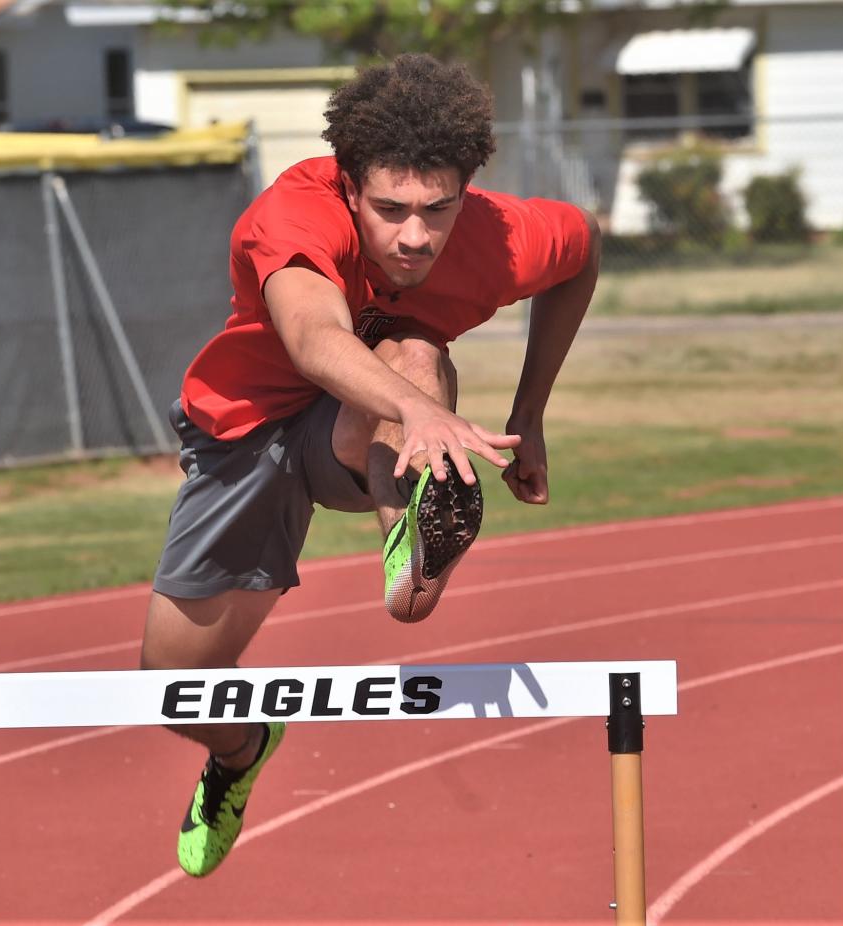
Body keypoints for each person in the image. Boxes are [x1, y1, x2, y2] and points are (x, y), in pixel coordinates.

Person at [140, 53, 601, 878]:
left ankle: (409, 537)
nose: (416, 236)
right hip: (248, 431)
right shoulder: (292, 213)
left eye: (438, 209)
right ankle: (241, 752)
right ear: (348, 185)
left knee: (415, 351)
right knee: (173, 685)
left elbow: (581, 252)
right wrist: (417, 409)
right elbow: (316, 339)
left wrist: (529, 412)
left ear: (470, 187)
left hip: (361, 433)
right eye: (390, 210)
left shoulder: (503, 235)